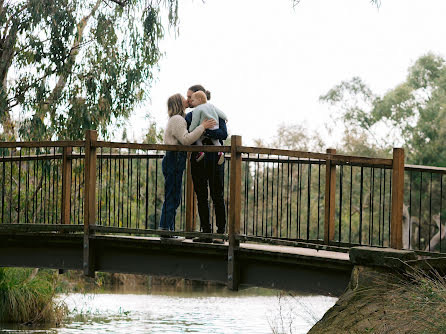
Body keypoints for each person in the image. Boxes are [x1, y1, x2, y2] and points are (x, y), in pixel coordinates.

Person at [159, 93, 216, 238]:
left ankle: (168, 230)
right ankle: (165, 229)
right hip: (174, 159)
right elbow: (186, 140)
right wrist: (202, 127)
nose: (187, 100)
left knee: (174, 195)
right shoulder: (177, 119)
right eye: (183, 98)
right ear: (179, 102)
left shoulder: (178, 119)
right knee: (172, 195)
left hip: (175, 159)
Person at [185, 85, 228, 244]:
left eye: (191, 97)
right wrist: (202, 128)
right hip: (198, 159)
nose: (189, 100)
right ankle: (206, 232)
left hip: (216, 159)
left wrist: (206, 131)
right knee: (201, 196)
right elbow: (188, 136)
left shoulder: (216, 113)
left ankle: (221, 232)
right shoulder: (189, 116)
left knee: (218, 195)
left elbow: (223, 134)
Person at [188, 90, 227, 164]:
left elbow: (195, 121)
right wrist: (225, 118)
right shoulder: (211, 106)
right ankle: (220, 153)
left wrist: (191, 130)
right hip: (215, 126)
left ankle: (200, 152)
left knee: (198, 139)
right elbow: (220, 112)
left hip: (203, 128)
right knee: (216, 141)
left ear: (199, 100)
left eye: (193, 100)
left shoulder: (197, 109)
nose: (191, 102)